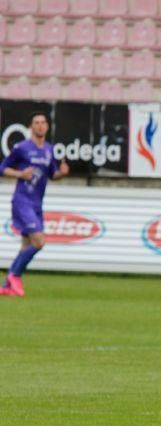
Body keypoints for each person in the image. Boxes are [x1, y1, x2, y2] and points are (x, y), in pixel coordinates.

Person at [0, 111, 69, 297]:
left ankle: (7, 286)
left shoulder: (49, 150)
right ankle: (15, 275)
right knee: (39, 242)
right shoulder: (22, 148)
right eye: (36, 122)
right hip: (22, 201)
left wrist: (62, 173)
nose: (39, 125)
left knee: (26, 245)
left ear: (47, 126)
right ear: (31, 127)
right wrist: (20, 174)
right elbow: (2, 167)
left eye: (42, 122)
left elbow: (52, 175)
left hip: (37, 204)